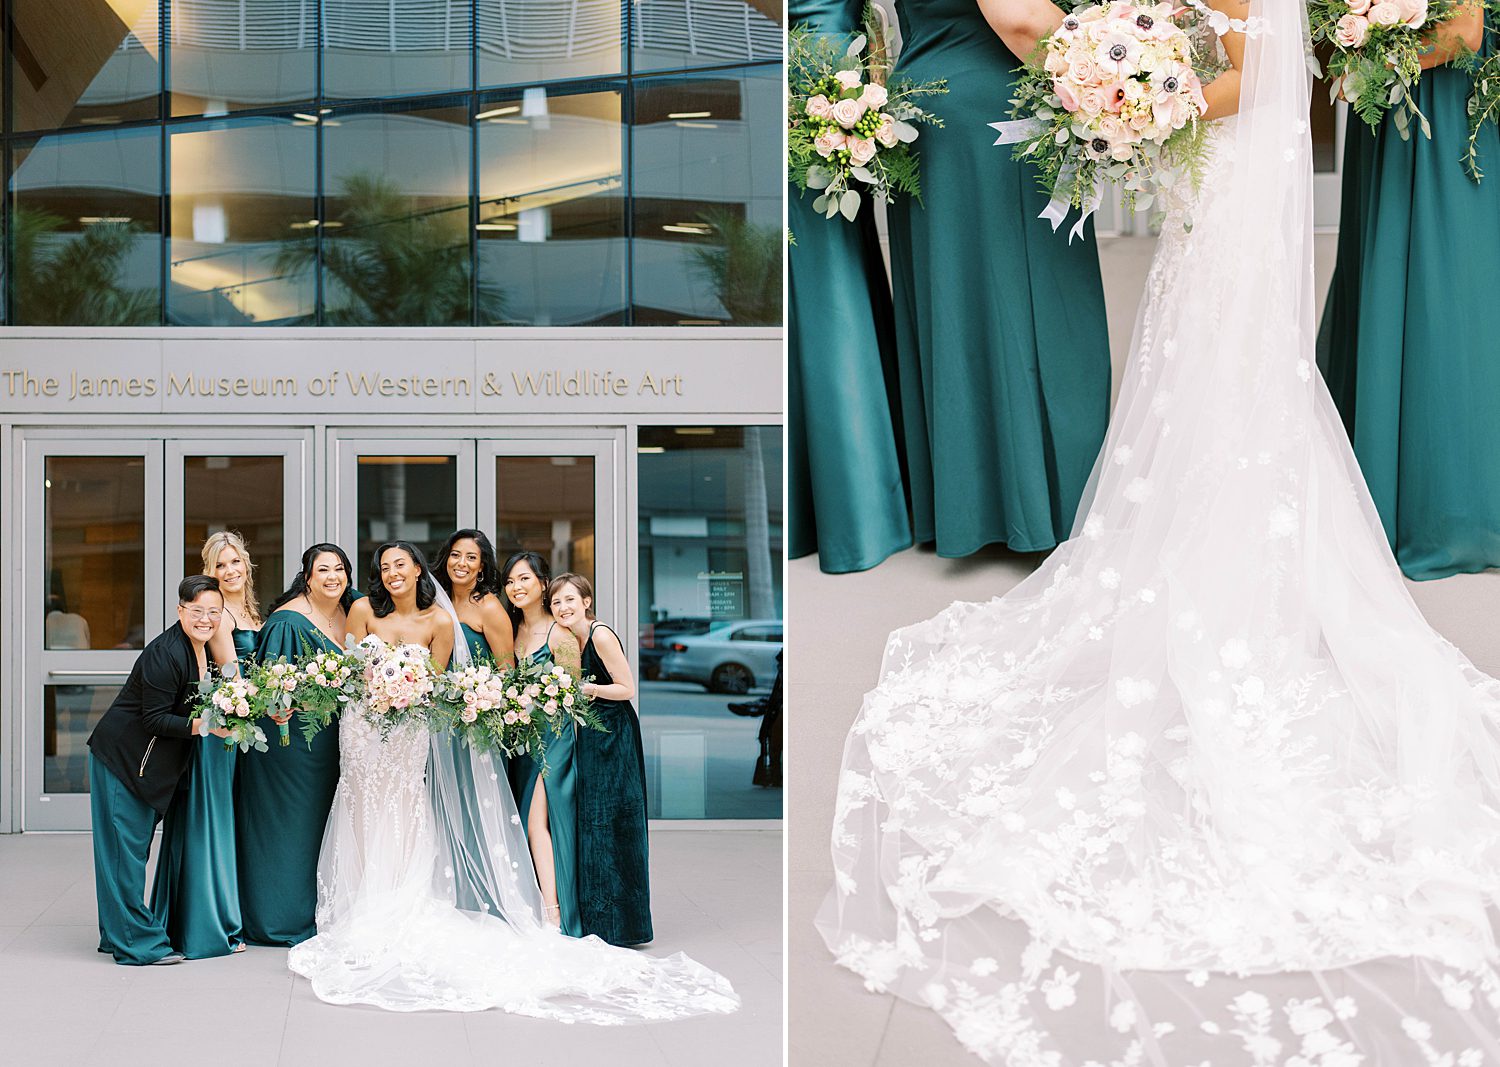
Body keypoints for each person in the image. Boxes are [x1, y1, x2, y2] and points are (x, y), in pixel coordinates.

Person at [818, 0, 1500, 1060]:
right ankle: (1196, 531)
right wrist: (1130, 84)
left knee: (1228, 374)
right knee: (1190, 376)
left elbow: (1261, 76)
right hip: (1203, 175)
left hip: (1224, 167)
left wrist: (1139, 103)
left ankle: (1229, 554)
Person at [285, 546, 739, 1019]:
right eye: (384, 567)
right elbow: (354, 668)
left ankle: (436, 904)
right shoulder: (363, 609)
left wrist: (408, 689)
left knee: (411, 810)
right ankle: (362, 905)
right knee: (359, 808)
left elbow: (438, 684)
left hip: (422, 732)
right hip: (364, 729)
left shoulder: (448, 622)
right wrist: (378, 688)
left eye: (401, 564)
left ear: (419, 569)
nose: (392, 573)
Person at [883, 0, 1111, 558]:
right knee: (1042, 308)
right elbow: (1021, 19)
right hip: (996, 115)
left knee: (963, 306)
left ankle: (976, 506)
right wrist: (1121, 67)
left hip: (936, 103)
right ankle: (1048, 507)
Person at [1317, 3, 1498, 579]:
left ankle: (1451, 509)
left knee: (1449, 288)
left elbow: (1465, 32)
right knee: (1399, 269)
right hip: (1397, 110)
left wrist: (1369, 73)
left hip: (1445, 110)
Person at [788, 0, 912, 574]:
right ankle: (857, 515)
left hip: (815, 68)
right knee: (829, 286)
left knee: (813, 282)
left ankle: (810, 512)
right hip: (821, 68)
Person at [87, 575, 232, 965]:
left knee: (127, 853)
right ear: (180, 610)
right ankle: (138, 945)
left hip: (147, 764)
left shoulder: (200, 648)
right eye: (197, 611)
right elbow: (153, 720)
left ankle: (117, 935)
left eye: (213, 612)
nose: (205, 619)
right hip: (123, 760)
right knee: (125, 856)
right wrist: (205, 726)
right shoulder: (164, 653)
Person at [236, 542, 359, 945]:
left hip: (341, 744)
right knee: (294, 827)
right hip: (293, 747)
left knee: (330, 826)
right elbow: (269, 688)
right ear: (307, 577)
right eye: (322, 570)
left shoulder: (354, 608)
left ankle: (326, 909)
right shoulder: (287, 621)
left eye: (339, 568)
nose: (332, 577)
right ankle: (281, 917)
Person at [149, 531, 261, 958]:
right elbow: (233, 677)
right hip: (222, 728)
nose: (230, 571)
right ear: (209, 572)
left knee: (226, 820)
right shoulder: (217, 616)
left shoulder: (248, 608)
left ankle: (216, 913)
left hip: (239, 726)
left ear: (246, 564)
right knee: (211, 821)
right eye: (220, 566)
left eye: (235, 562)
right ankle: (210, 926)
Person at [549, 572, 653, 947]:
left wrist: (588, 689)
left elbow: (627, 688)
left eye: (570, 600)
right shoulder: (569, 638)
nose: (563, 607)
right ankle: (600, 920)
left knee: (616, 821)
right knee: (595, 822)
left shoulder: (599, 635)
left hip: (615, 735)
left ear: (586, 602)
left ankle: (625, 924)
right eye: (556, 602)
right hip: (592, 735)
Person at [501, 551, 583, 935]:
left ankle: (554, 913)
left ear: (542, 584)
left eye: (524, 580)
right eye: (511, 581)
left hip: (552, 739)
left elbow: (573, 697)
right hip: (521, 740)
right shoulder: (511, 629)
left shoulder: (559, 634)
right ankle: (535, 901)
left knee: (537, 823)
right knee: (524, 822)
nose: (516, 587)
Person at [434, 528, 515, 666]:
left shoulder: (489, 607)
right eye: (455, 555)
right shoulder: (437, 601)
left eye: (471, 557)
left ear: (481, 566)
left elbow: (507, 670)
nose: (461, 563)